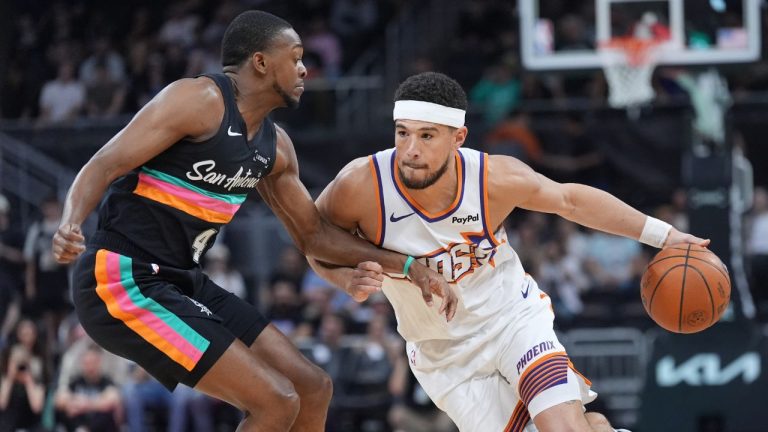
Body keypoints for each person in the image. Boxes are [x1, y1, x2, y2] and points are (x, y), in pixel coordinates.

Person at [51, 11, 456, 432]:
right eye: (295, 57)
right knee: (276, 403)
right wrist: (71, 222)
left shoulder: (275, 147)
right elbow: (104, 163)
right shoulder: (200, 100)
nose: (304, 68)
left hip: (183, 280)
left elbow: (314, 235)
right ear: (261, 62)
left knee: (313, 387)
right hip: (120, 278)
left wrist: (407, 266)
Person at [307, 72, 710, 432]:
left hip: (512, 320)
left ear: (457, 138)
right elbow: (313, 242)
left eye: (427, 135)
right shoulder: (361, 184)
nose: (410, 149)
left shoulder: (492, 179)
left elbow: (570, 200)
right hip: (443, 354)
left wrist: (664, 235)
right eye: (402, 132)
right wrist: (343, 278)